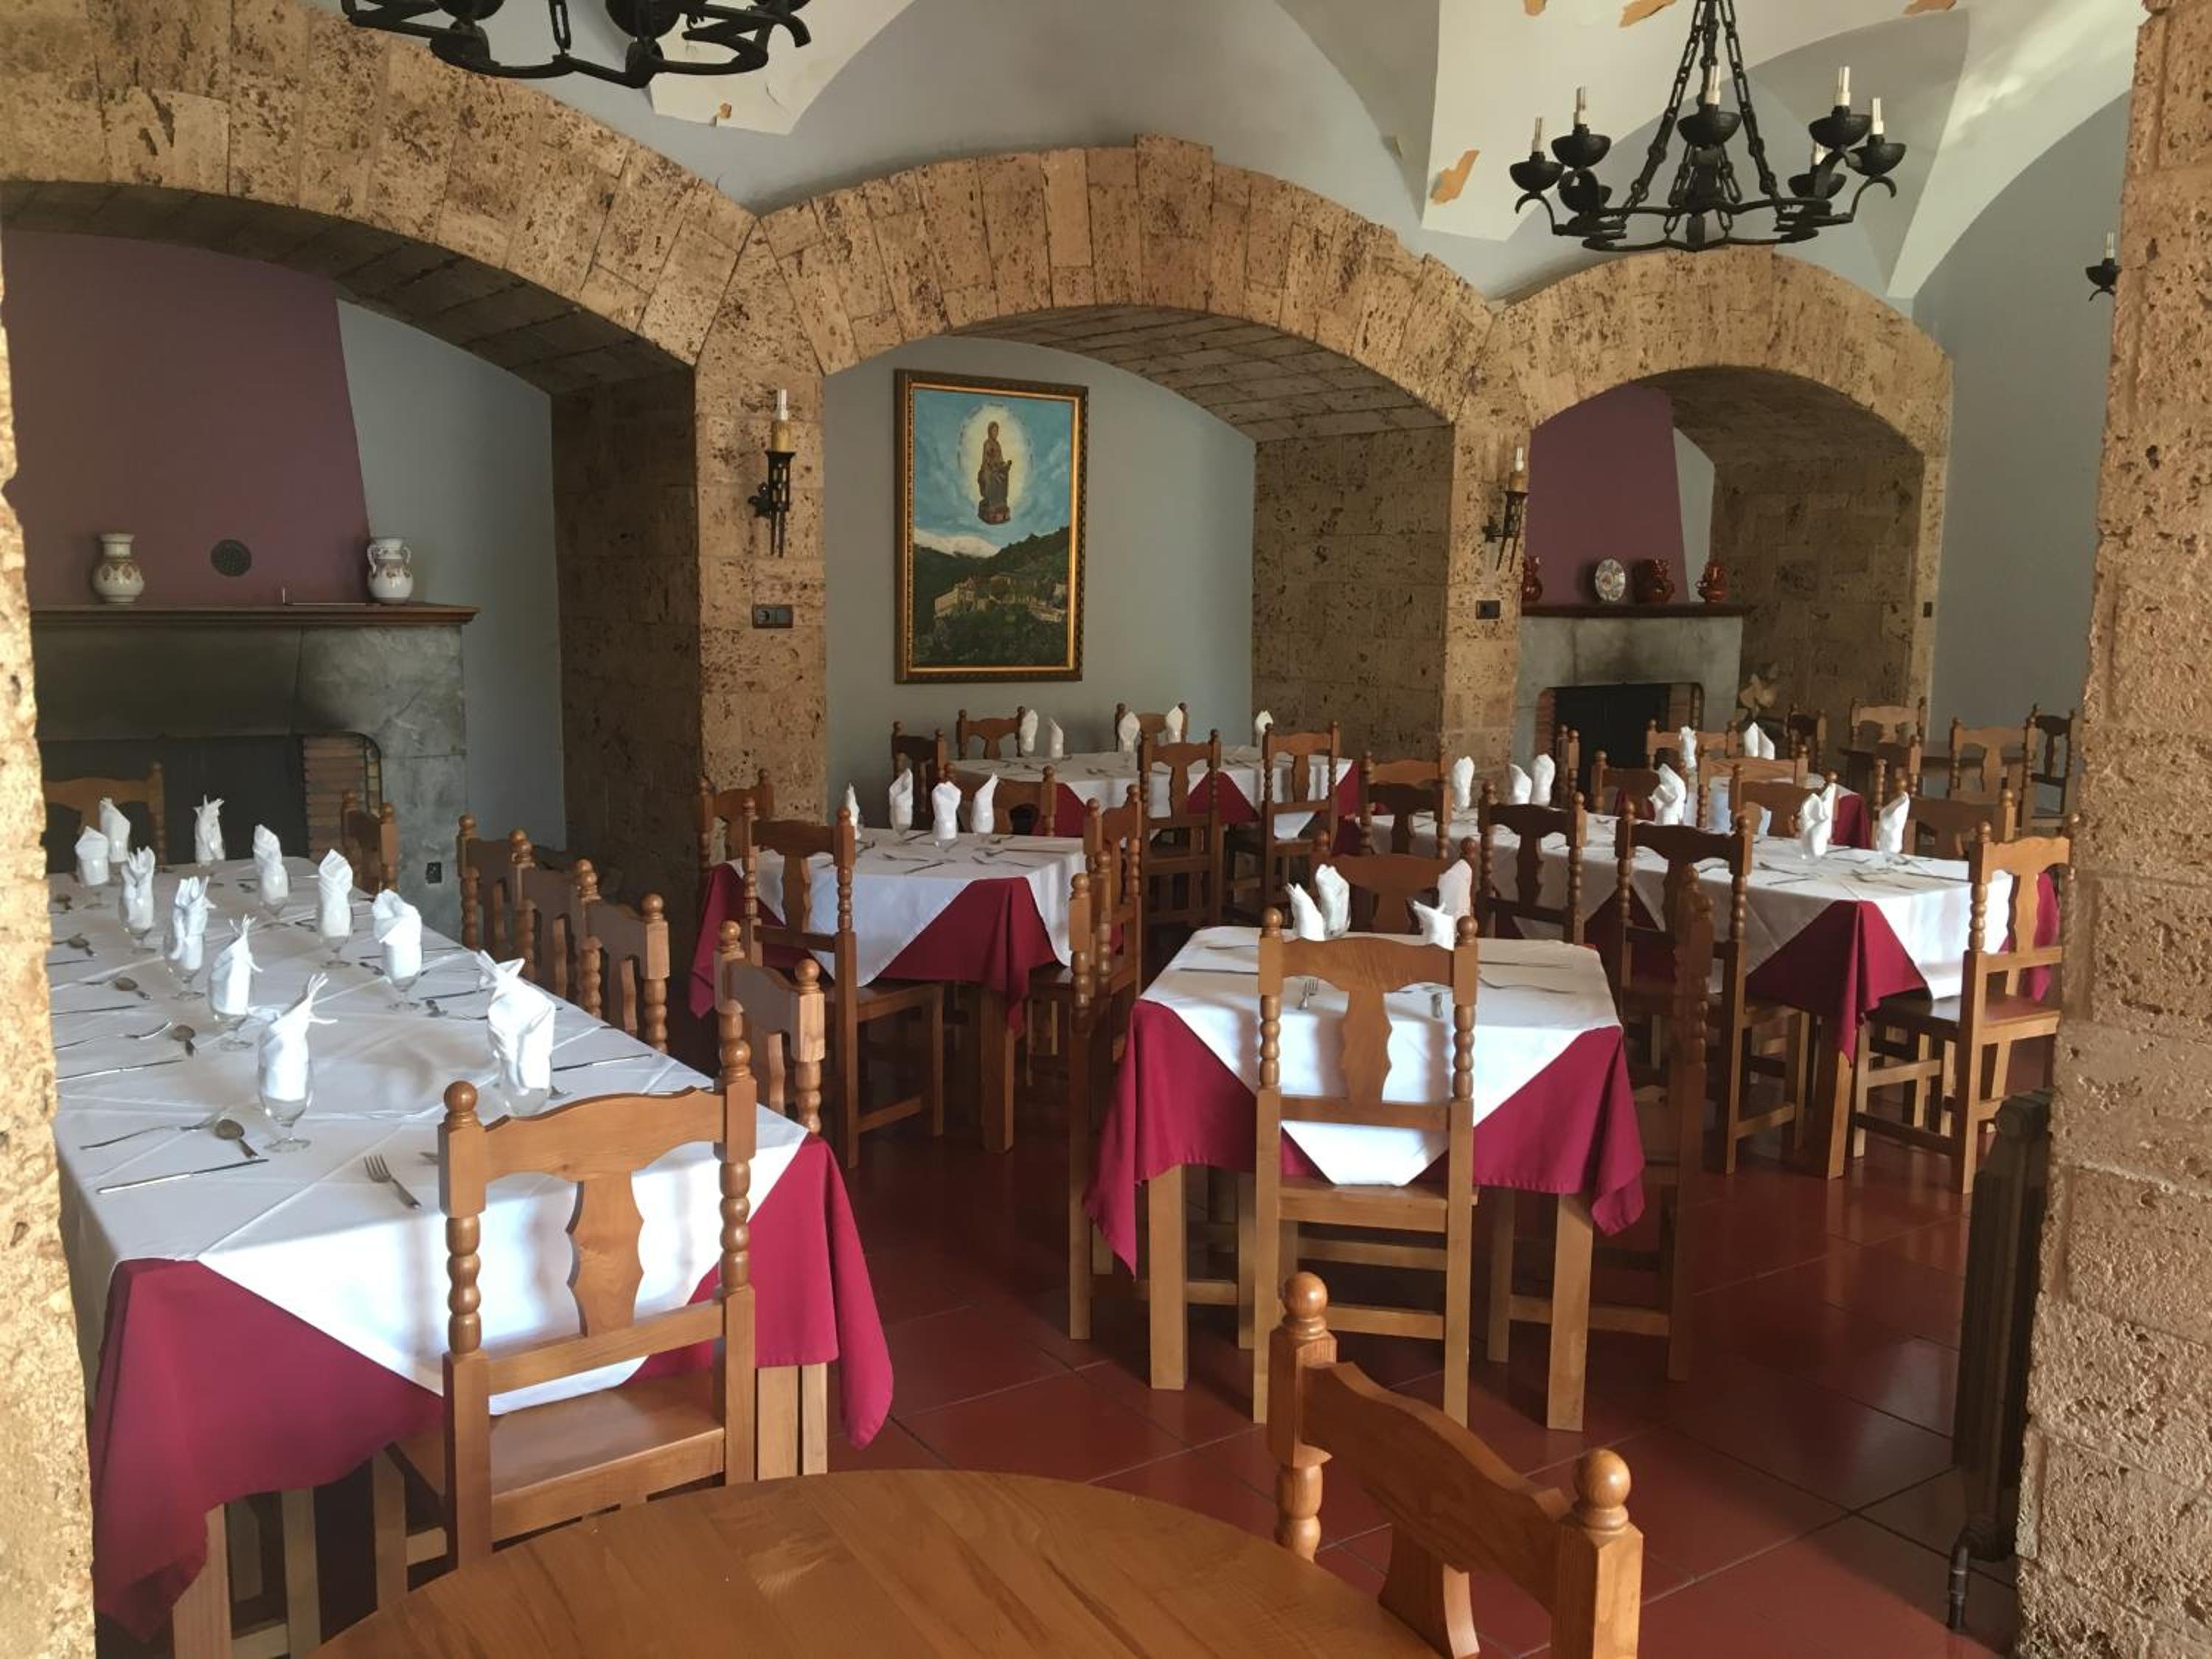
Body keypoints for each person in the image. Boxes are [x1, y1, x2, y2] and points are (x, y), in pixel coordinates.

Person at [976, 419, 1012, 525]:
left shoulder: (997, 445)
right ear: (989, 432)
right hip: (988, 469)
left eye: (997, 431)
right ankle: (992, 504)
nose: (995, 433)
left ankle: (1001, 503)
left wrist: (1004, 465)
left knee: (1004, 475)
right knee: (993, 477)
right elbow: (987, 460)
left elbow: (1000, 459)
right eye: (993, 431)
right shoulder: (987, 444)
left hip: (996, 468)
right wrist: (993, 468)